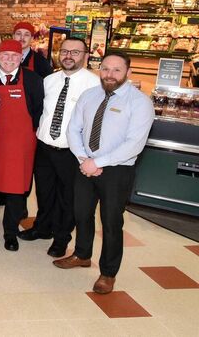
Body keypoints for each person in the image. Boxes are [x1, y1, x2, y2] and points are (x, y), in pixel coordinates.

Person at [55, 52, 154, 295]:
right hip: (85, 165)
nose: (109, 74)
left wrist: (97, 162)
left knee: (111, 222)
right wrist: (84, 159)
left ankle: (108, 273)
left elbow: (134, 144)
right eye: (105, 68)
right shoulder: (90, 95)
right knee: (81, 213)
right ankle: (82, 254)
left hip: (117, 170)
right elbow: (73, 129)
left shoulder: (140, 102)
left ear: (128, 72)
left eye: (116, 70)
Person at [21, 38, 100, 257]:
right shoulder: (49, 80)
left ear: (85, 56)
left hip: (72, 153)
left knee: (68, 198)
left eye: (75, 52)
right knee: (44, 192)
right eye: (65, 51)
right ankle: (42, 227)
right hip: (45, 147)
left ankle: (61, 238)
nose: (68, 56)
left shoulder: (94, 85)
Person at [0, 39, 44, 252]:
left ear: (20, 58)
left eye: (14, 56)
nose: (9, 59)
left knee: (16, 189)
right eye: (5, 55)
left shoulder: (33, 80)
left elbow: (38, 112)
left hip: (20, 144)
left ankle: (10, 232)